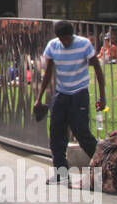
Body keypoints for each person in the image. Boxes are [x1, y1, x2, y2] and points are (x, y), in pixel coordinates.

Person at [32, 21, 106, 185]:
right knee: (56, 134)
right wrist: (39, 98)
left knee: (81, 132)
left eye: (68, 39)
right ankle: (61, 173)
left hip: (79, 92)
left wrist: (102, 96)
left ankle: (104, 166)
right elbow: (48, 72)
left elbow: (98, 71)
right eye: (62, 39)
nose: (65, 42)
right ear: (58, 37)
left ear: (72, 36)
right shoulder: (53, 46)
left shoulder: (84, 44)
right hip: (61, 93)